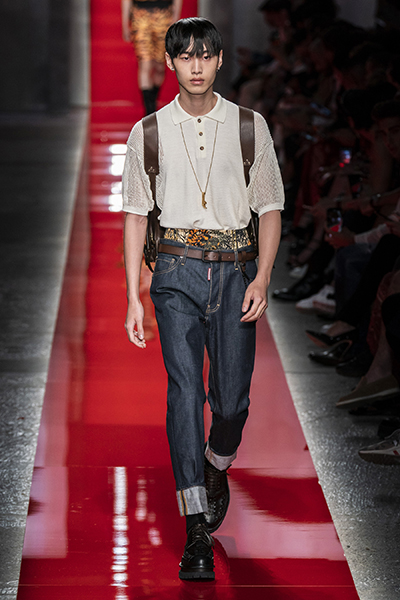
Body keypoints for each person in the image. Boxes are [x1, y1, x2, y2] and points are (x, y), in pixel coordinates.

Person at [122, 18, 284, 580]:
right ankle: (195, 530)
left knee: (232, 403)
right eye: (185, 56)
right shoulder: (147, 132)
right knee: (185, 393)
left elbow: (270, 207)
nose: (196, 65)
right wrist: (133, 295)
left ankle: (218, 462)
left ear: (218, 60)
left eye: (205, 55)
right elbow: (136, 215)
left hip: (237, 272)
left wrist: (263, 278)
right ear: (169, 62)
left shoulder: (249, 126)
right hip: (174, 272)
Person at [122, 0, 183, 114]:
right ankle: (149, 110)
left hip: (164, 16)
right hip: (140, 16)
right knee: (145, 64)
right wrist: (125, 23)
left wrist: (175, 18)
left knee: (160, 67)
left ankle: (152, 99)